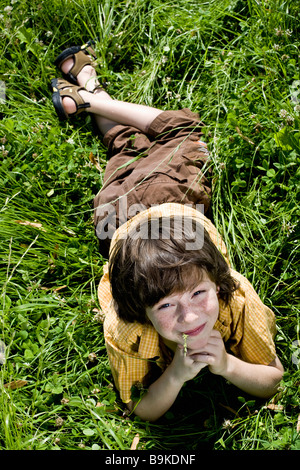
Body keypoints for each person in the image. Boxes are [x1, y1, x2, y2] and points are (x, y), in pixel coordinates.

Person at [51, 41, 284, 422]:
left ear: (217, 283)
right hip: (160, 200)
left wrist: (227, 364)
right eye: (165, 306)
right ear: (140, 309)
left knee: (127, 149)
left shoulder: (237, 297)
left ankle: (88, 95)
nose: (191, 318)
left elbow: (275, 378)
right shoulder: (127, 329)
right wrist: (175, 376)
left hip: (118, 216)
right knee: (180, 130)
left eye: (196, 293)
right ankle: (89, 93)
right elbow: (138, 410)